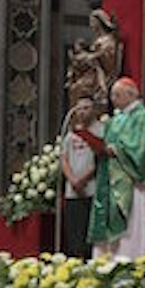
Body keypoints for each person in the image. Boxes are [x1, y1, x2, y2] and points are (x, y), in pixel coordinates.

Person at [87, 76, 145, 259]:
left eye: (117, 94)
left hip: (133, 185)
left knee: (133, 227)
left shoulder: (142, 117)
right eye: (112, 95)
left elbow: (140, 148)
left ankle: (133, 260)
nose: (113, 99)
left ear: (131, 95)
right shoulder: (119, 117)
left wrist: (116, 150)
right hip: (113, 179)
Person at [61, 97, 103, 259]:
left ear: (94, 110)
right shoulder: (72, 133)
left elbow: (100, 159)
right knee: (74, 231)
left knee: (88, 231)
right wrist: (72, 179)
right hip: (72, 190)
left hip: (92, 189)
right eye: (79, 109)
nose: (82, 112)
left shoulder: (101, 130)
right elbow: (64, 158)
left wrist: (83, 179)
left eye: (86, 108)